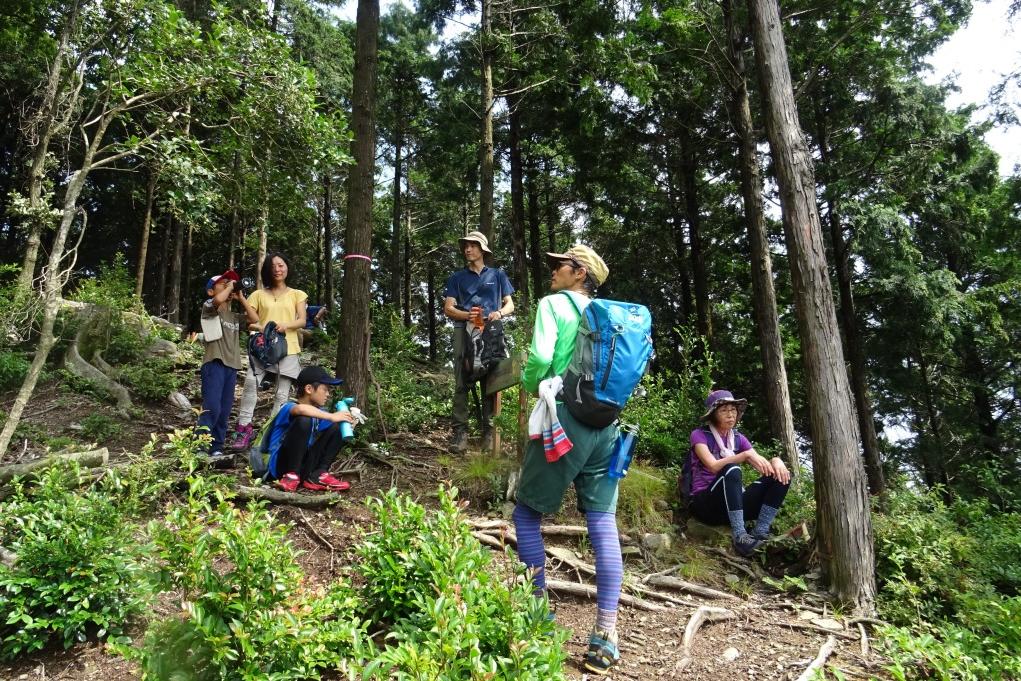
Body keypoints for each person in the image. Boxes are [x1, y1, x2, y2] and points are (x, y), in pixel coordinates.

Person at [512, 244, 623, 676]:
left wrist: (530, 382)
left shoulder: (553, 304)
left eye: (560, 264)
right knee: (601, 522)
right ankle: (606, 636)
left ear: (579, 272)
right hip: (607, 428)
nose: (553, 270)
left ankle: (537, 623)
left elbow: (540, 357)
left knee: (526, 514)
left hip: (565, 421)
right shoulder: (608, 313)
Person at [688, 389, 792, 557]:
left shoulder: (738, 438)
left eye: (733, 410)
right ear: (713, 415)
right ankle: (740, 536)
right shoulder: (699, 435)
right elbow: (713, 466)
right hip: (706, 505)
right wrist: (743, 455)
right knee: (731, 469)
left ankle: (760, 532)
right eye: (724, 410)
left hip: (732, 506)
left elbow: (760, 463)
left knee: (781, 476)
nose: (730, 414)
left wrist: (776, 461)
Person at [442, 231, 514, 452]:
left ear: (482, 249)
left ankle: (490, 433)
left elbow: (510, 304)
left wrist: (499, 314)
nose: (467, 249)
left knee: (491, 379)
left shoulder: (497, 275)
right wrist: (467, 316)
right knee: (462, 379)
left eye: (472, 246)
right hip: (464, 330)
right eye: (465, 246)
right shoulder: (457, 278)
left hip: (491, 331)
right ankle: (460, 433)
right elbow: (448, 308)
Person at [231, 253, 307, 450]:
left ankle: (270, 433)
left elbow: (302, 320)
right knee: (249, 384)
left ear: (287, 267)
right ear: (267, 270)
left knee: (282, 395)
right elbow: (251, 322)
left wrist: (284, 326)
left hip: (288, 347)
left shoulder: (297, 294)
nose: (277, 269)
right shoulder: (257, 294)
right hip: (262, 348)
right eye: (273, 266)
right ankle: (243, 429)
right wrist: (263, 327)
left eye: (281, 265)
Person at [262, 365, 355, 492]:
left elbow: (333, 430)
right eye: (325, 389)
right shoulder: (289, 407)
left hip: (304, 467)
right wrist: (332, 416)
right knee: (304, 420)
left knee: (337, 427)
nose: (328, 394)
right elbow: (300, 410)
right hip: (280, 467)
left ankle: (318, 474)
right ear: (309, 389)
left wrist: (347, 422)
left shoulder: (319, 414)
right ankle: (291, 476)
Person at [196, 269, 258, 459]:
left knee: (224, 410)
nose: (227, 286)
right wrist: (230, 285)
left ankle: (217, 446)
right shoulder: (209, 308)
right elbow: (216, 301)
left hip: (232, 366)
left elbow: (254, 319)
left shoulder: (233, 317)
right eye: (222, 284)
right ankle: (201, 445)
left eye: (229, 284)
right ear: (210, 291)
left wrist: (240, 296)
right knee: (212, 406)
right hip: (214, 363)